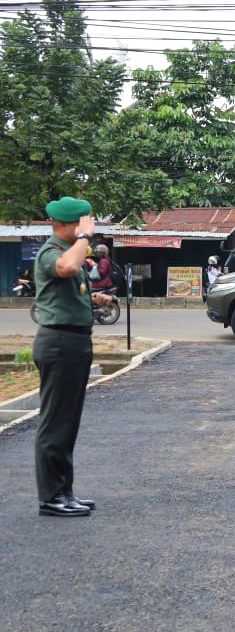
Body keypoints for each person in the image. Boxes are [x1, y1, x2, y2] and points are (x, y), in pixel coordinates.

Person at [32, 196, 113, 517]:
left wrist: (95, 298)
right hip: (59, 343)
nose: (88, 228)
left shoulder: (70, 253)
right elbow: (66, 268)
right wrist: (83, 239)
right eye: (83, 223)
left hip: (74, 343)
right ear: (67, 224)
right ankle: (52, 496)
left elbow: (68, 290)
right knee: (55, 423)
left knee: (67, 423)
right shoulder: (52, 253)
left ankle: (64, 490)